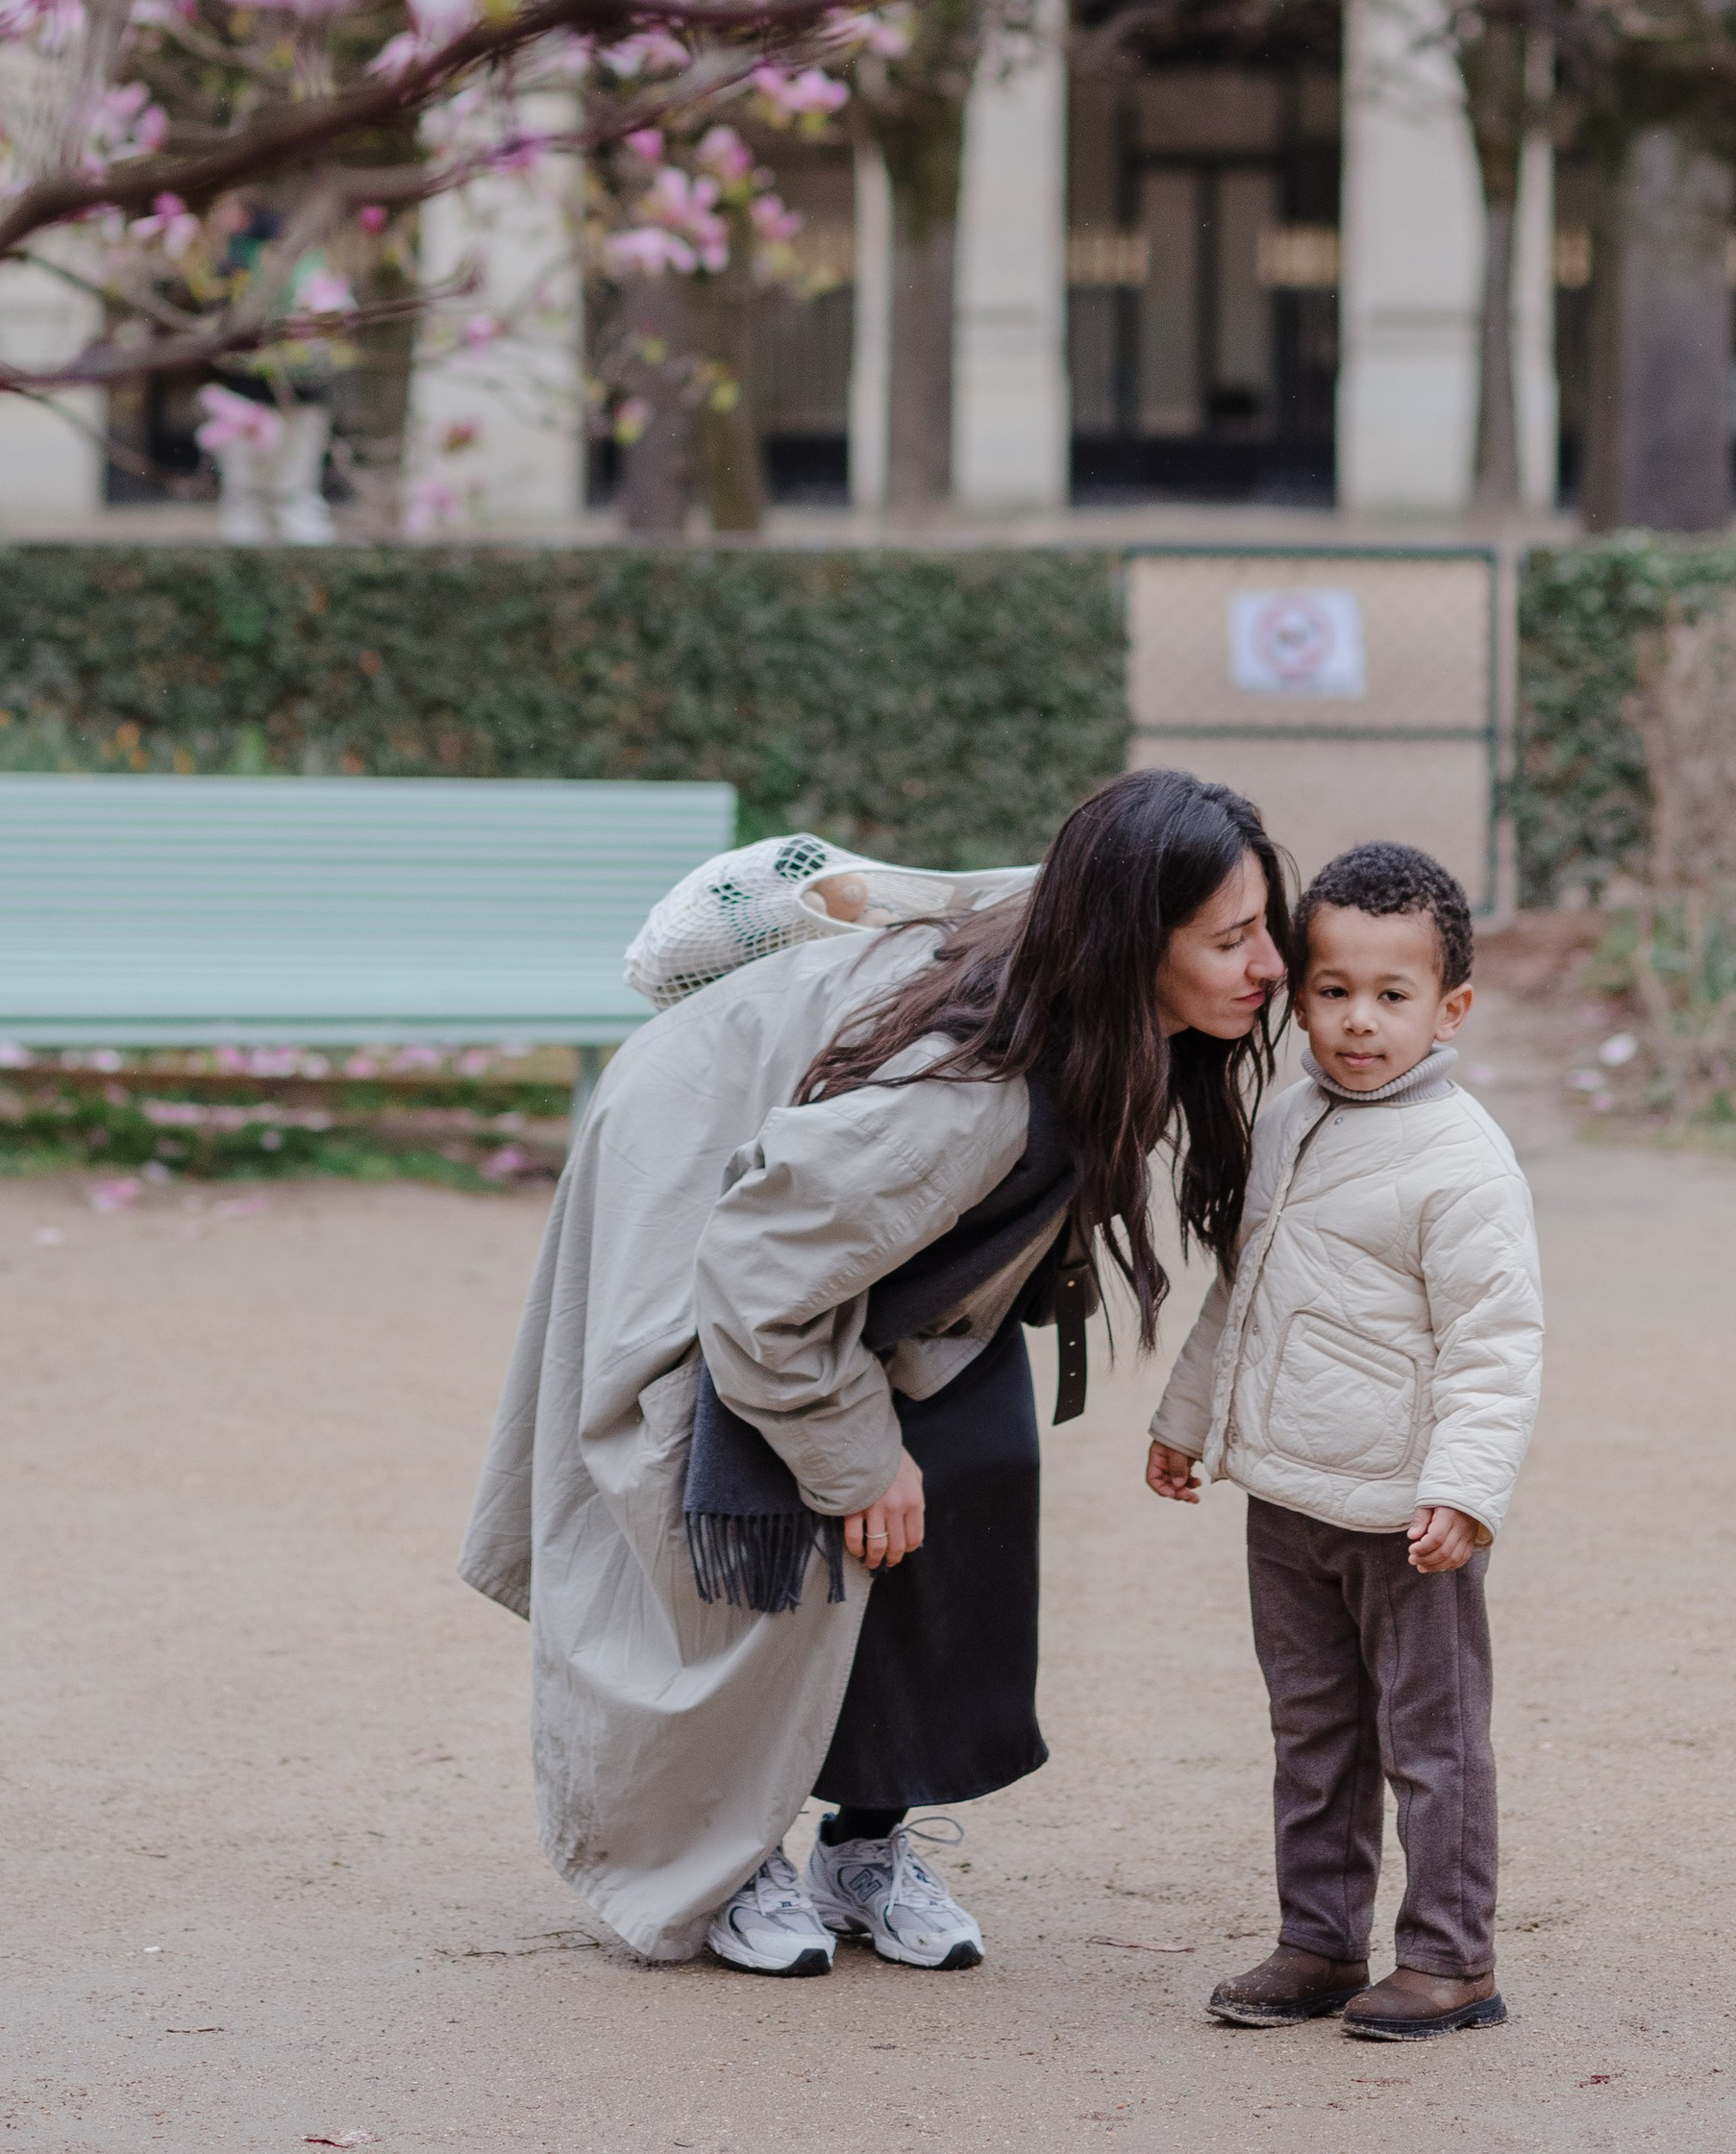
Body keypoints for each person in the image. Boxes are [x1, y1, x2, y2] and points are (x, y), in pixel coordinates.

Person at [461, 766, 1289, 1974]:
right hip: (703, 1183)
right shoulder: (970, 1096)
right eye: (1232, 939)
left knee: (972, 1468)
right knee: (754, 1522)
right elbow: (754, 1276)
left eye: (1264, 924)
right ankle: (727, 1862)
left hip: (830, 1221)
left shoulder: (1090, 978)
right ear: (1130, 943)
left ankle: (865, 1846)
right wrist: (853, 1461)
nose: (1264, 961)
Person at [1145, 838, 1542, 2043]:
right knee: (1312, 1731)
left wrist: (1464, 1490)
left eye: (1391, 994)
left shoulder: (1461, 1160)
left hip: (1402, 1515)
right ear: (1300, 988)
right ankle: (1317, 1940)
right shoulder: (1288, 1114)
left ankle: (1449, 1956)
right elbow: (1243, 1284)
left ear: (1449, 1006)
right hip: (1285, 1496)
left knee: (1430, 1742)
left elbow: (1494, 1340)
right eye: (1332, 990)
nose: (1357, 1021)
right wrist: (1186, 1419)